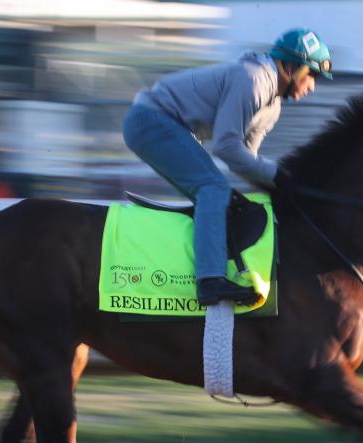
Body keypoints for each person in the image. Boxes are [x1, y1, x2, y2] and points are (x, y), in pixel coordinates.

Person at [122, 28, 333, 306]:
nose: (312, 86)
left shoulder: (273, 107)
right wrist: (278, 176)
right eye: (312, 75)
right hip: (150, 120)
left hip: (166, 126)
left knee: (223, 195)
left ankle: (201, 271)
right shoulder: (253, 80)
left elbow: (246, 160)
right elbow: (226, 147)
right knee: (213, 187)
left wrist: (281, 190)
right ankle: (210, 281)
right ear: (293, 67)